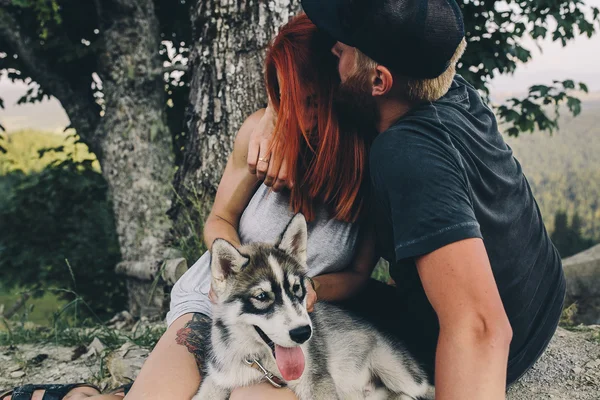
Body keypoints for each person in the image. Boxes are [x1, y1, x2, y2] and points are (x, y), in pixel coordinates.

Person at [1, 14, 379, 400]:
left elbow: (360, 274)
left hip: (297, 324)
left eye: (310, 101)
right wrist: (230, 272)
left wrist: (311, 288)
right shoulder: (262, 134)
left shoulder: (375, 160)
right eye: (283, 100)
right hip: (217, 305)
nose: (295, 117)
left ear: (340, 85)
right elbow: (220, 219)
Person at [248, 0, 567, 399]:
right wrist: (275, 114)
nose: (333, 50)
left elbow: (480, 326)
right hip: (541, 299)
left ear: (379, 81)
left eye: (343, 49)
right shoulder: (434, 78)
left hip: (504, 344)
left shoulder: (406, 153)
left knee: (271, 339)